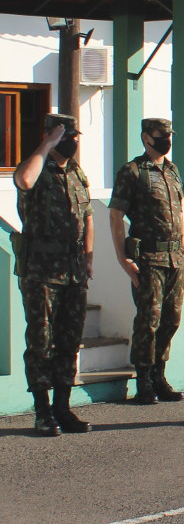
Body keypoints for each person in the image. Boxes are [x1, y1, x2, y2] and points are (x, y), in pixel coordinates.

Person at [12, 115, 94, 436]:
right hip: (41, 272)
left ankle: (63, 406)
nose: (72, 141)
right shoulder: (37, 168)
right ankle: (42, 411)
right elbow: (23, 181)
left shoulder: (76, 173)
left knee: (69, 341)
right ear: (50, 136)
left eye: (74, 135)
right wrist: (45, 145)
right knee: (40, 341)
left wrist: (88, 258)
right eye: (65, 135)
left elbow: (88, 216)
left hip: (72, 271)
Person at [108, 118, 184, 406]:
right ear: (146, 137)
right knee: (148, 321)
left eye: (169, 135)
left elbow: (179, 213)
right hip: (149, 258)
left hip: (175, 257)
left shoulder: (173, 170)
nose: (166, 140)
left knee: (172, 319)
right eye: (161, 135)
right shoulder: (132, 172)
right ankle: (143, 380)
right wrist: (122, 258)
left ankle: (159, 374)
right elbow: (116, 215)